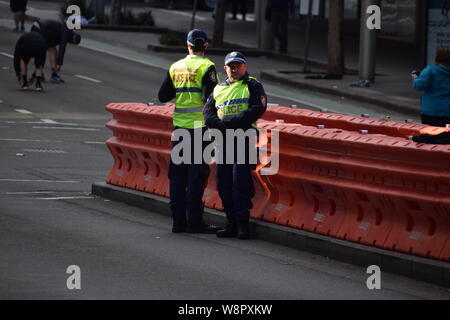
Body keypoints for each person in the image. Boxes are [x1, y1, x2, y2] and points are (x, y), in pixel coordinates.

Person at [158, 29, 219, 234]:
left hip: (180, 128)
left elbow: (163, 95)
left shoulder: (176, 67)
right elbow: (211, 98)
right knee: (196, 174)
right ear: (206, 46)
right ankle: (194, 220)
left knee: (177, 175)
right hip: (200, 129)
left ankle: (177, 221)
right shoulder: (207, 67)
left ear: (188, 45)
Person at [203, 52, 267, 239]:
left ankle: (242, 225)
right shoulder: (218, 89)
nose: (235, 68)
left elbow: (258, 109)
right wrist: (223, 125)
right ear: (225, 68)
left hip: (243, 138)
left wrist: (231, 122)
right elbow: (208, 115)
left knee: (240, 181)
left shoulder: (253, 85)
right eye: (231, 65)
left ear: (245, 67)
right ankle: (231, 223)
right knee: (224, 183)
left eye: (238, 65)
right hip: (223, 140)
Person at [31, 19, 81, 83]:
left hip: (39, 27)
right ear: (73, 38)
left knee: (52, 50)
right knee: (41, 51)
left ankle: (49, 74)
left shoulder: (64, 30)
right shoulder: (66, 32)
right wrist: (59, 63)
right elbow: (62, 48)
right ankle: (44, 74)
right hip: (40, 29)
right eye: (72, 42)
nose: (70, 43)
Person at [412, 48, 450, 127]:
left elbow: (419, 86)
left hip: (431, 110)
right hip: (448, 111)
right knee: (445, 136)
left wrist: (415, 77)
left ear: (437, 58)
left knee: (429, 136)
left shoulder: (430, 70)